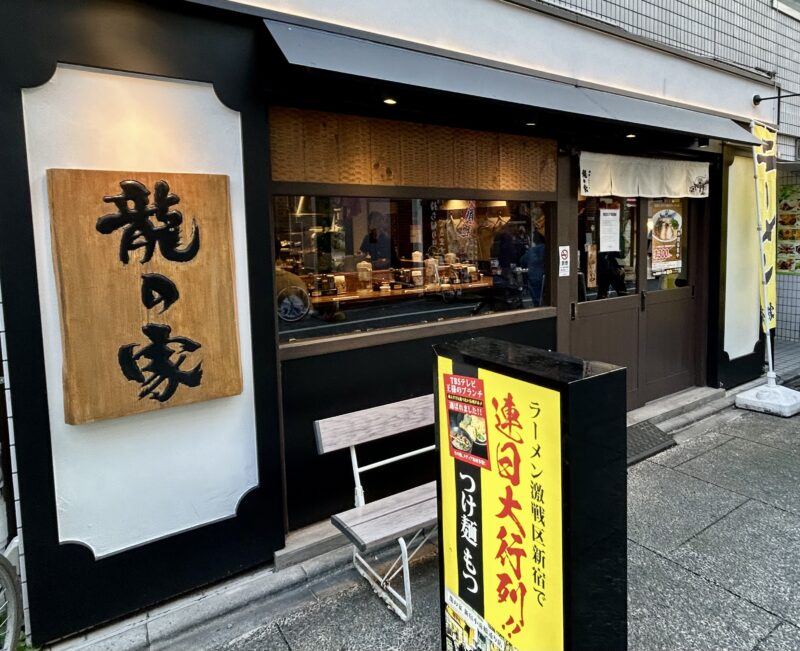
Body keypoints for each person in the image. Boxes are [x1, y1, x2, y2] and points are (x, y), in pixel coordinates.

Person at [519, 230, 545, 306]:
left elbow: (522, 260)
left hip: (534, 278)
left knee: (536, 300)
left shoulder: (532, 250)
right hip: (546, 278)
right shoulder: (548, 248)